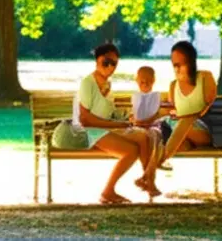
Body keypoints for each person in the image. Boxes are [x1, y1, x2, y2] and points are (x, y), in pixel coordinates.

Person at [51, 43, 158, 203]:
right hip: (84, 131)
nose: (110, 66)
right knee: (131, 151)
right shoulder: (88, 83)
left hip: (100, 129)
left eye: (113, 63)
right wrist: (119, 126)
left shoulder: (107, 84)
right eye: (105, 62)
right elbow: (85, 120)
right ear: (97, 61)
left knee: (143, 137)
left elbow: (107, 113)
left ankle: (147, 181)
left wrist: (125, 119)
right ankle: (108, 191)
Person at [138, 40, 216, 184]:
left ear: (191, 61)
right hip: (181, 135)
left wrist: (187, 117)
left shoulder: (205, 77)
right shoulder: (173, 86)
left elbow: (209, 107)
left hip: (205, 131)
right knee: (179, 142)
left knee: (186, 120)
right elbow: (170, 111)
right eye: (175, 64)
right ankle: (148, 178)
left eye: (181, 64)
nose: (177, 68)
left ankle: (149, 172)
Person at [128, 65, 164, 195]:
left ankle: (146, 179)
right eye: (142, 81)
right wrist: (135, 121)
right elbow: (133, 115)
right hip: (139, 128)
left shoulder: (156, 96)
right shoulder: (135, 96)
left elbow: (156, 115)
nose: (145, 83)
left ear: (154, 81)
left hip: (151, 127)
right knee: (145, 139)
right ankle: (149, 181)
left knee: (153, 139)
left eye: (148, 80)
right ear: (137, 80)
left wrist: (146, 122)